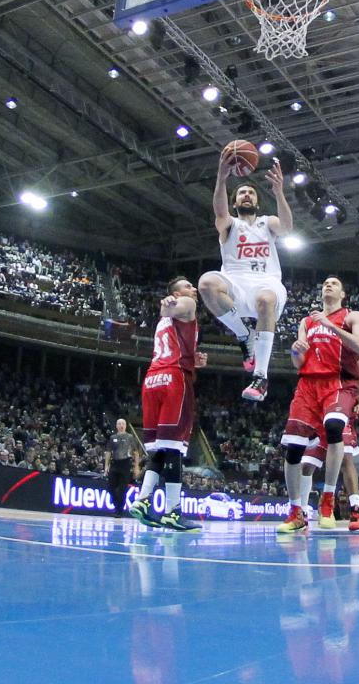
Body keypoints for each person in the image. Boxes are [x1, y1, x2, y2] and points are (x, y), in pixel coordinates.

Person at [275, 276, 359, 534]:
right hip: (308, 385)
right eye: (325, 283)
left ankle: (328, 499)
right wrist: (296, 351)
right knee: (294, 449)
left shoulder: (352, 317)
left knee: (335, 428)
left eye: (334, 283)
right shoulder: (306, 322)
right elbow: (298, 362)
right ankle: (296, 511)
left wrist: (331, 325)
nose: (328, 285)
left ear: (342, 293)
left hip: (338, 383)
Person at [198, 150, 293, 403]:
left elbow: (286, 227)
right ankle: (243, 334)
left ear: (257, 202)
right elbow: (219, 212)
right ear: (235, 201)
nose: (247, 195)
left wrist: (279, 192)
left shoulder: (267, 222)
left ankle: (261, 377)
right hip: (235, 283)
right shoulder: (229, 224)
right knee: (206, 282)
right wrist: (221, 178)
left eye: (250, 192)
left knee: (264, 300)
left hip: (267, 282)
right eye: (241, 192)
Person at [128, 277, 207, 531]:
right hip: (173, 379)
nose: (193, 290)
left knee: (159, 450)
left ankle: (142, 501)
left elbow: (169, 319)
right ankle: (173, 512)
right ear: (175, 292)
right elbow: (176, 307)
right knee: (173, 448)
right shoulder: (186, 304)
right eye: (187, 286)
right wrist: (171, 304)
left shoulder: (162, 323)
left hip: (152, 379)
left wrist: (193, 360)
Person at [105, 418, 138, 518]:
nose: (121, 425)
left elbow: (136, 452)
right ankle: (117, 506)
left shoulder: (130, 437)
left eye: (123, 423)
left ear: (125, 426)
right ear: (116, 426)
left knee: (122, 489)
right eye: (119, 423)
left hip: (125, 464)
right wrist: (106, 466)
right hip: (114, 463)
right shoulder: (112, 437)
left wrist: (136, 467)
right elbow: (108, 452)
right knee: (111, 488)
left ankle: (119, 511)